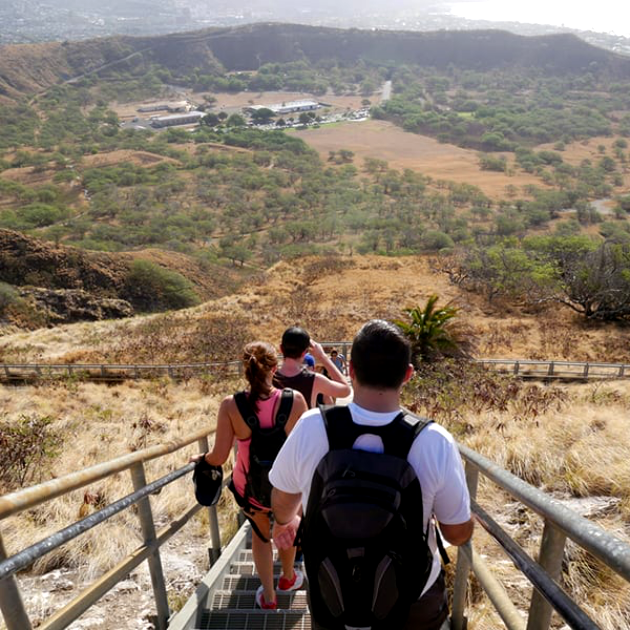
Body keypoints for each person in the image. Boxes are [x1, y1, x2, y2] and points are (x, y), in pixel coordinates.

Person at [269, 320, 474, 629]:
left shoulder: (312, 426)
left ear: (351, 369)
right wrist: (469, 520)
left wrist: (286, 522)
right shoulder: (434, 441)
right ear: (408, 374)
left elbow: (282, 502)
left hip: (330, 591)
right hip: (411, 600)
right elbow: (456, 534)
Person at [190, 341, 308, 610]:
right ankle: (288, 577)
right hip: (287, 487)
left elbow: (218, 457)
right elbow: (305, 450)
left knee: (260, 536)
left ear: (245, 369)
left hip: (250, 488)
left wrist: (202, 459)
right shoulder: (295, 401)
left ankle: (268, 597)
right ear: (274, 367)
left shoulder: (231, 405)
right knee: (286, 527)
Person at [273, 326, 351, 408]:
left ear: (281, 348)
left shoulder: (269, 379)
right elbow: (345, 390)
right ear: (305, 352)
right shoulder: (315, 380)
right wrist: (322, 357)